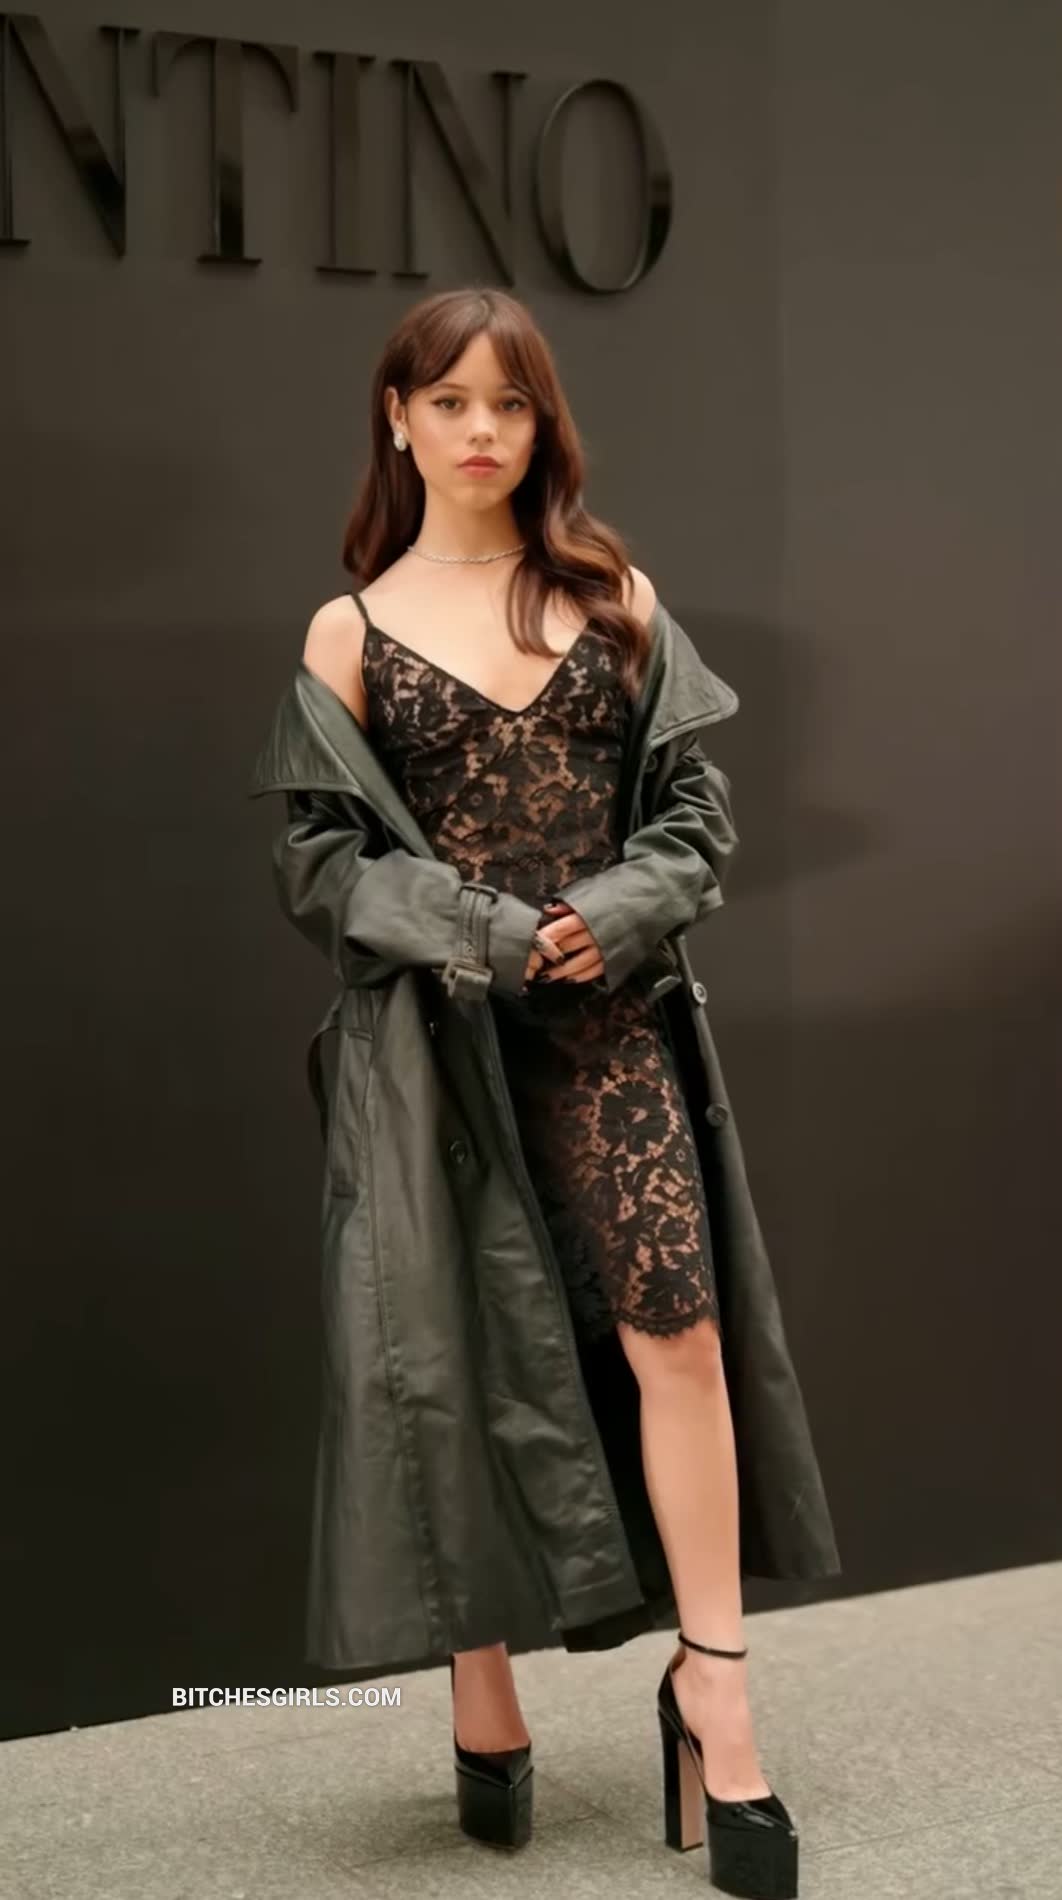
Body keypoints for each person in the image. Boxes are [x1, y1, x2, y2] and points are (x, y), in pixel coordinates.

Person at [257, 284, 832, 1897]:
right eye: (448, 401)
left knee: (679, 1338)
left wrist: (615, 912)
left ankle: (714, 1691)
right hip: (437, 1050)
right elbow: (318, 866)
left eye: (507, 402)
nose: (481, 430)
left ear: (540, 422)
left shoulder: (611, 596)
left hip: (610, 1030)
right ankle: (481, 1689)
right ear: (397, 419)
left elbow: (697, 818)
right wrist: (489, 930)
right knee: (454, 1361)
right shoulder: (347, 632)